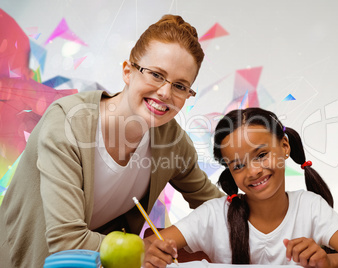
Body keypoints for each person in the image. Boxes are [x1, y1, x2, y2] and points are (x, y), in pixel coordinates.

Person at [0, 14, 224, 268]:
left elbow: (216, 209)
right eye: (156, 75)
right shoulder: (68, 123)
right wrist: (141, 249)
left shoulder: (172, 141)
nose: (165, 93)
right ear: (128, 71)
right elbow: (66, 239)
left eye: (180, 86)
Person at [143, 107, 338, 268]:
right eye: (238, 166)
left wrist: (328, 262)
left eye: (262, 155)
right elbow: (147, 245)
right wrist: (150, 253)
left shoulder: (310, 207)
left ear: (285, 146)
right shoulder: (214, 215)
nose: (254, 171)